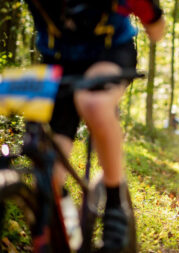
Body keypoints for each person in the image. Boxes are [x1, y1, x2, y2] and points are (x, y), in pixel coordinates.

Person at [24, 0, 165, 251]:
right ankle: (66, 223)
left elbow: (156, 29)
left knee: (95, 104)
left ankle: (114, 204)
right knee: (48, 175)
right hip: (56, 62)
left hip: (108, 53)